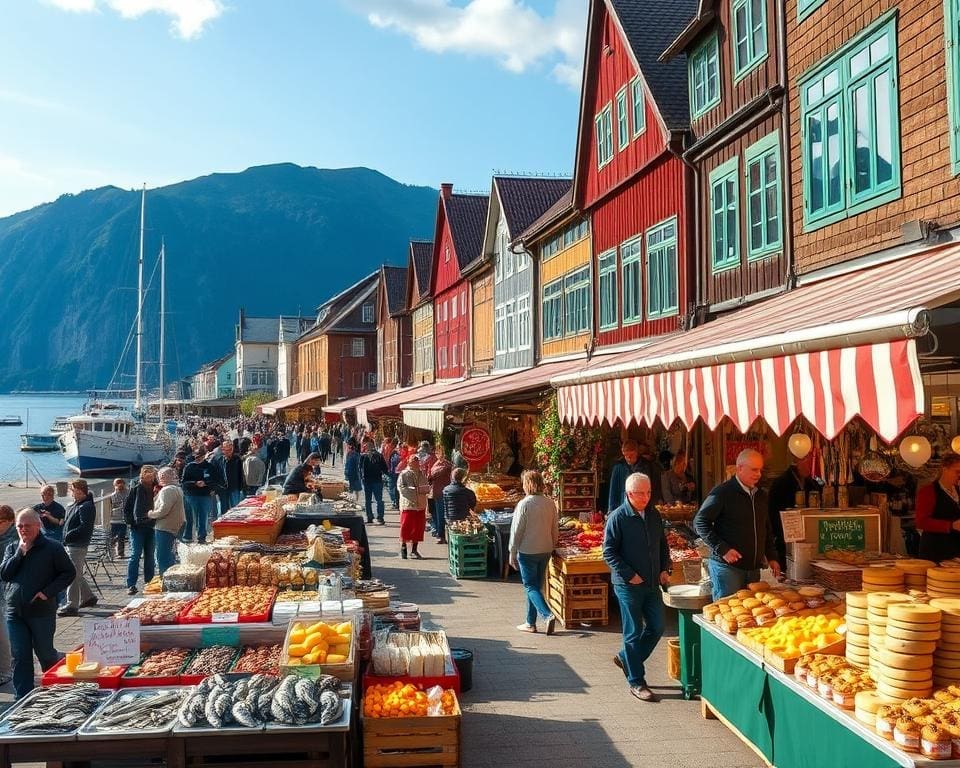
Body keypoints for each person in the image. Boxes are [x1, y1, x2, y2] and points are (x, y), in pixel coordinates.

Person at [603, 473, 671, 702]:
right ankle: (636, 681)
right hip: (627, 585)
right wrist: (629, 574)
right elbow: (608, 552)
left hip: (652, 582)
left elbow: (662, 545)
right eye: (640, 493)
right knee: (632, 632)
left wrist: (665, 568)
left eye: (649, 492)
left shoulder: (654, 514)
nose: (646, 497)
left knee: (657, 626)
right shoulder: (617, 518)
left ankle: (626, 658)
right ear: (629, 494)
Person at [1, 508, 75, 699]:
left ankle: (55, 692)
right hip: (14, 611)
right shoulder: (12, 547)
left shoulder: (53, 547)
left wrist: (48, 593)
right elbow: (4, 574)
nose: (23, 530)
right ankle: (22, 697)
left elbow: (68, 573)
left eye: (27, 526)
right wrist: (19, 553)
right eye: (19, 526)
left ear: (37, 525)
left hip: (41, 611)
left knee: (45, 653)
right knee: (20, 655)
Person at [693, 449, 780, 600]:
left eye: (760, 469)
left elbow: (765, 528)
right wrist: (723, 549)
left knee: (748, 616)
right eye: (754, 469)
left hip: (753, 569)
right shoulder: (722, 492)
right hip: (727, 569)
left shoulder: (761, 495)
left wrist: (772, 556)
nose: (759, 474)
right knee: (726, 615)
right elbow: (700, 522)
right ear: (739, 468)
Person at [509, 470, 560, 635]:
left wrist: (512, 551)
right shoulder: (550, 503)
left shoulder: (525, 504)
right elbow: (555, 529)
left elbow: (517, 531)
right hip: (545, 549)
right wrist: (552, 546)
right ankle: (530, 622)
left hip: (527, 550)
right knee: (535, 587)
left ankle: (547, 615)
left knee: (530, 586)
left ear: (527, 484)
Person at [767, 454, 819, 565]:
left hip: (807, 535)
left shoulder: (812, 483)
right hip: (785, 535)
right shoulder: (780, 483)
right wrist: (778, 534)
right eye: (808, 464)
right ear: (798, 462)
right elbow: (772, 513)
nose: (810, 468)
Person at [57, 479, 97, 617]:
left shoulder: (85, 506)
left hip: (78, 544)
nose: (73, 493)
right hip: (71, 543)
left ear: (80, 491)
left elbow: (85, 527)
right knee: (76, 572)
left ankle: (72, 604)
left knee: (72, 574)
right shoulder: (75, 505)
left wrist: (69, 535)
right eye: (73, 491)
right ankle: (88, 596)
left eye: (74, 491)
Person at [915, 454, 960, 562]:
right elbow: (921, 522)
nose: (959, 475)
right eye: (957, 471)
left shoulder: (958, 491)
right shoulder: (928, 491)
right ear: (945, 469)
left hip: (956, 551)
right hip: (935, 551)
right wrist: (951, 525)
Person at [123, 465, 158, 595]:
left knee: (150, 556)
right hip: (137, 527)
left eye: (151, 475)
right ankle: (131, 584)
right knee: (135, 555)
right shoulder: (135, 489)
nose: (150, 477)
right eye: (147, 475)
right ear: (142, 475)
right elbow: (127, 508)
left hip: (152, 525)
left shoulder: (157, 488)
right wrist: (131, 522)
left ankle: (149, 582)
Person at [148, 467, 186, 575]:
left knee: (162, 556)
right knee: (171, 554)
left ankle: (165, 578)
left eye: (161, 476)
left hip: (165, 526)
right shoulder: (177, 488)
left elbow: (164, 509)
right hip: (176, 524)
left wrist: (151, 514)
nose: (159, 478)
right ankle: (171, 576)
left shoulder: (167, 490)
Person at [607, 439, 662, 512]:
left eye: (631, 455)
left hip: (643, 506)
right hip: (623, 506)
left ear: (636, 453)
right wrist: (611, 510)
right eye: (626, 455)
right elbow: (613, 491)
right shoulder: (618, 467)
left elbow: (653, 487)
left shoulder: (646, 465)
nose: (628, 458)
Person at [181, 447, 216, 544]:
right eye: (196, 457)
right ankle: (187, 537)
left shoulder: (210, 467)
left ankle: (201, 537)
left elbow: (214, 481)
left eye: (200, 457)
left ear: (205, 456)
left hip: (205, 495)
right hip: (191, 495)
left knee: (203, 517)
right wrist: (195, 483)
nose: (198, 459)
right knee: (190, 517)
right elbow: (183, 482)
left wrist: (206, 484)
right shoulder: (189, 467)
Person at [397, 455, 429, 559]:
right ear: (409, 462)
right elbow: (401, 488)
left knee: (418, 528)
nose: (416, 463)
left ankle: (414, 549)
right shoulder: (404, 474)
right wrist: (413, 490)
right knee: (406, 526)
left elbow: (425, 485)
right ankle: (403, 547)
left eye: (417, 461)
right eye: (413, 461)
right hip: (408, 504)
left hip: (420, 504)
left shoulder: (421, 473)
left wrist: (425, 489)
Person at [0, 506, 18, 685]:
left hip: (8, 590)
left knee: (2, 631)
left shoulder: (13, 539)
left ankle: (6, 670)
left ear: (8, 521)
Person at [441, 468, 477, 543]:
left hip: (449, 518)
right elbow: (473, 505)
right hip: (463, 519)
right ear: (463, 478)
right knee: (466, 535)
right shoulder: (468, 491)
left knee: (453, 538)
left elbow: (445, 504)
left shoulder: (446, 489)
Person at [359, 440, 389, 525]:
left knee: (368, 500)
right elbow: (385, 468)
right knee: (379, 500)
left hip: (367, 481)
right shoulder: (379, 456)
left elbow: (360, 469)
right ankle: (380, 517)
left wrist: (362, 479)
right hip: (377, 480)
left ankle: (369, 517)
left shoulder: (363, 456)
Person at [211, 440, 243, 517]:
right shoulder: (217, 460)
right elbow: (213, 474)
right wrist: (215, 487)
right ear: (222, 450)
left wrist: (241, 487)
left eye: (230, 449)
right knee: (224, 510)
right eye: (226, 450)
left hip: (234, 487)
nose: (229, 452)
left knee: (236, 509)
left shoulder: (237, 459)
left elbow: (240, 474)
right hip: (222, 489)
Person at [428, 446, 453, 539]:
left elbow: (434, 474)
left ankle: (441, 535)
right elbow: (431, 474)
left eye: (440, 452)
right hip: (435, 491)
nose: (438, 454)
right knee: (436, 513)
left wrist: (431, 476)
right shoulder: (436, 463)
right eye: (437, 453)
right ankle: (438, 531)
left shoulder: (447, 464)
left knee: (442, 514)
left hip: (443, 492)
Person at [107, 478, 129, 559]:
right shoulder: (112, 495)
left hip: (124, 520)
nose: (120, 485)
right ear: (114, 485)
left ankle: (120, 553)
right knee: (112, 537)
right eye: (117, 484)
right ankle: (111, 553)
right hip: (114, 519)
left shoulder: (128, 493)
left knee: (121, 537)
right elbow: (109, 507)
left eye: (121, 483)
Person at [384, 439, 401, 510]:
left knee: (392, 487)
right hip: (396, 472)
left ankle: (395, 502)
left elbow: (387, 459)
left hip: (392, 472)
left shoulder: (391, 449)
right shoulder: (397, 452)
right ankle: (396, 503)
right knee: (395, 488)